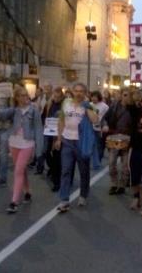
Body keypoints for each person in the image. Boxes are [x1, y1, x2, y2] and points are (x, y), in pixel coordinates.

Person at [0, 86, 44, 214]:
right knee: (21, 169)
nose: (24, 97)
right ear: (16, 97)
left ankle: (14, 202)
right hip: (14, 142)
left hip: (28, 143)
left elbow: (38, 129)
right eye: (21, 95)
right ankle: (27, 192)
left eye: (26, 95)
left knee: (18, 170)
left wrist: (39, 151)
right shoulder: (14, 110)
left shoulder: (34, 110)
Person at [54, 83, 98, 212]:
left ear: (85, 93)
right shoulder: (66, 103)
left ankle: (83, 195)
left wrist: (87, 107)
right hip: (67, 141)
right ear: (72, 92)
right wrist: (58, 138)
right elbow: (61, 120)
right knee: (66, 170)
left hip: (81, 143)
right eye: (76, 91)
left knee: (84, 171)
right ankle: (64, 200)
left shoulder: (89, 105)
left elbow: (95, 120)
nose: (78, 93)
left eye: (81, 91)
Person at [102, 88, 133, 195]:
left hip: (128, 137)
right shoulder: (114, 107)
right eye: (124, 95)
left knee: (125, 165)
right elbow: (105, 118)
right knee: (111, 162)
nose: (126, 97)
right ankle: (114, 183)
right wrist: (105, 125)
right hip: (114, 136)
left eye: (128, 95)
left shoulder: (133, 109)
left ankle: (122, 185)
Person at [42, 86, 64, 192]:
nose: (56, 98)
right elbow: (44, 116)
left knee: (57, 157)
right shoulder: (49, 103)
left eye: (58, 96)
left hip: (58, 133)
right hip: (48, 131)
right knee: (45, 151)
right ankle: (52, 169)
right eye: (54, 96)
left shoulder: (64, 105)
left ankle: (57, 182)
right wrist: (45, 125)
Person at [91, 91, 109, 168]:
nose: (94, 98)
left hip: (100, 129)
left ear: (99, 97)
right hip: (90, 128)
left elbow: (107, 117)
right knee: (92, 145)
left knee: (99, 146)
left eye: (95, 96)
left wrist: (105, 125)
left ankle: (98, 160)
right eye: (92, 96)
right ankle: (95, 161)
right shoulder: (89, 105)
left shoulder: (104, 106)